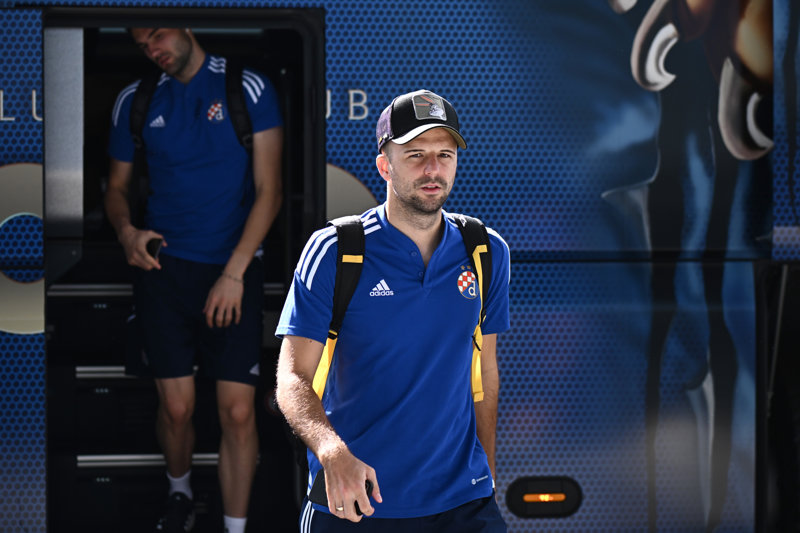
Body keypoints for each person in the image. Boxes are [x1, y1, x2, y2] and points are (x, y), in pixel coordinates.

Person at [275, 89, 510, 532]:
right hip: (355, 501)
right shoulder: (335, 250)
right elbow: (292, 378)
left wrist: (487, 477)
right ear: (385, 165)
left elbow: (485, 375)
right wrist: (332, 453)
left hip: (463, 505)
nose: (432, 169)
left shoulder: (486, 251)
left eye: (444, 155)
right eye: (415, 154)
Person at [104, 27, 283, 533]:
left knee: (239, 412)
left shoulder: (246, 87)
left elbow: (270, 191)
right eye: (142, 45)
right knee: (177, 409)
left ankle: (235, 527)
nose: (152, 49)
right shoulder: (136, 99)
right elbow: (115, 187)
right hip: (163, 269)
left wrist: (233, 273)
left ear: (184, 24)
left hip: (235, 267)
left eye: (157, 36)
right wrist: (126, 233)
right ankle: (179, 494)